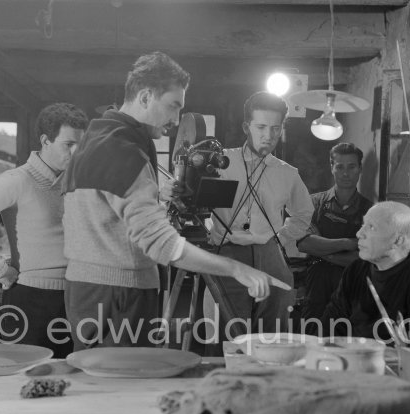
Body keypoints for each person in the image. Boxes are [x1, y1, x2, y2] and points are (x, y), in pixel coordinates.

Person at [61, 52, 291, 351]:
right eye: (173, 106)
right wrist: (237, 269)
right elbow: (161, 244)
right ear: (145, 97)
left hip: (85, 290)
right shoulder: (125, 152)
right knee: (126, 385)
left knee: (101, 387)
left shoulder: (94, 140)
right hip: (120, 292)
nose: (175, 120)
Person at [0, 103, 88, 357]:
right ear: (45, 140)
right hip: (30, 300)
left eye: (80, 145)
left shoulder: (75, 181)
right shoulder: (18, 180)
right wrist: (0, 270)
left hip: (74, 298)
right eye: (68, 144)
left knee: (70, 384)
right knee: (23, 382)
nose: (75, 152)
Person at [204, 91, 313, 336]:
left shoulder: (287, 173)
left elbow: (303, 214)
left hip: (269, 254)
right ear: (246, 126)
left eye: (276, 128)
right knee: (227, 330)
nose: (269, 135)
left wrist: (278, 240)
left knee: (273, 331)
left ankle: (269, 372)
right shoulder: (222, 164)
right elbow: (192, 199)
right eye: (261, 127)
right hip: (227, 252)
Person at [315, 201, 410, 343]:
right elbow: (330, 324)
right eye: (362, 225)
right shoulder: (356, 270)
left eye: (371, 227)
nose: (359, 234)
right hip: (356, 358)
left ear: (397, 241)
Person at [298, 143, 373, 324]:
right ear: (332, 168)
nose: (345, 173)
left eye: (351, 167)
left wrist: (322, 250)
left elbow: (363, 258)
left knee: (347, 343)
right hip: (315, 287)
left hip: (352, 290)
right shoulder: (314, 203)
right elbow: (304, 243)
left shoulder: (371, 211)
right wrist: (348, 243)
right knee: (312, 339)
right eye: (340, 167)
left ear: (360, 169)